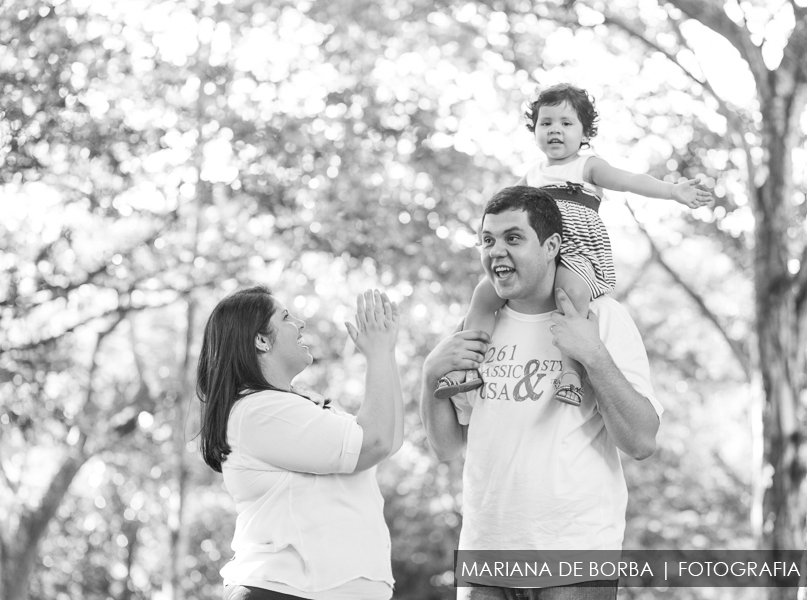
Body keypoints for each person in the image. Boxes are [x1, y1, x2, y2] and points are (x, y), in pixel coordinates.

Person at [420, 186, 663, 599]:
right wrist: (430, 377)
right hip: (485, 560)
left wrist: (593, 356)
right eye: (488, 240)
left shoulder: (602, 318)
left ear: (551, 246)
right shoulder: (479, 328)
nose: (496, 251)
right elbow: (446, 446)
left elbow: (640, 440)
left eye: (513, 238)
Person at [435, 83, 711, 406]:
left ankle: (570, 375)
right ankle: (467, 369)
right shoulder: (533, 174)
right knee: (483, 295)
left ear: (584, 133)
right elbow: (503, 209)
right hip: (536, 255)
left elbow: (631, 180)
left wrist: (672, 191)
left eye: (566, 123)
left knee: (571, 294)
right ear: (535, 130)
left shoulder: (588, 166)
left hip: (576, 250)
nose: (555, 130)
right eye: (546, 123)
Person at [197, 286, 402, 600]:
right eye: (286, 317)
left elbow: (388, 438)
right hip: (287, 592)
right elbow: (373, 443)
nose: (301, 323)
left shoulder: (300, 406)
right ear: (261, 339)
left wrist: (386, 353)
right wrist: (376, 355)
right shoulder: (259, 411)